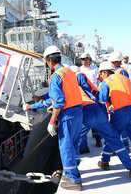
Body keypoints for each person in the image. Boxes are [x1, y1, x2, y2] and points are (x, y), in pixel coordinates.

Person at [24, 46, 83, 191]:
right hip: (78, 113)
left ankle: (74, 180)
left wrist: (51, 121)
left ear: (50, 62)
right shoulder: (67, 72)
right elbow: (59, 95)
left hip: (67, 115)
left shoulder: (56, 76)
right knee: (74, 145)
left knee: (66, 147)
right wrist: (40, 99)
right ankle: (74, 172)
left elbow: (58, 102)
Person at [71, 65, 131, 177]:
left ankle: (73, 172)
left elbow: (57, 100)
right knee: (114, 140)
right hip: (98, 111)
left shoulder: (71, 83)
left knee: (74, 141)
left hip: (86, 113)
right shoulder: (84, 81)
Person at [108, 51, 131, 149]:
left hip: (121, 101)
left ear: (117, 62)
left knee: (122, 125)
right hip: (115, 101)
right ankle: (120, 145)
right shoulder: (116, 71)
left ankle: (125, 145)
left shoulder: (121, 71)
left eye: (112, 62)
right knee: (116, 125)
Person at [79, 52, 102, 147]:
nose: (83, 61)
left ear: (89, 58)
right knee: (85, 119)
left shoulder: (96, 69)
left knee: (96, 119)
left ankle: (98, 139)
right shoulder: (80, 70)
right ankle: (84, 143)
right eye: (82, 59)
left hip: (94, 95)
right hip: (84, 97)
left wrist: (98, 91)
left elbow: (101, 81)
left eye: (84, 59)